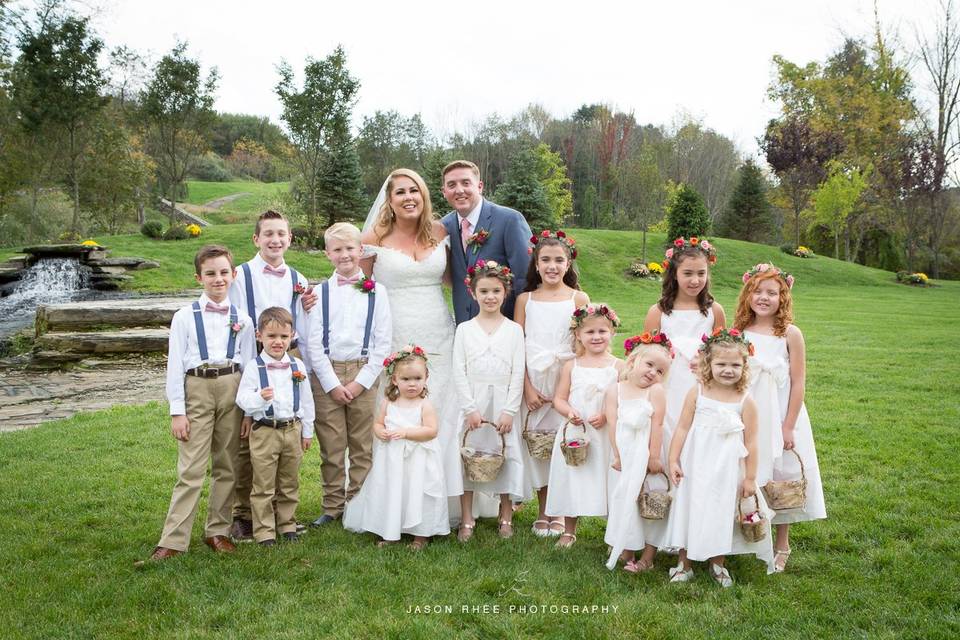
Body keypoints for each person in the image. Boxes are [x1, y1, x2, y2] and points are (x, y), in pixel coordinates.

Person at [360, 168, 495, 524]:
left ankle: (446, 502)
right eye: (400, 192)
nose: (408, 197)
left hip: (439, 331)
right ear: (389, 200)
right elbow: (356, 285)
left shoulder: (441, 232)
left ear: (424, 196)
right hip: (396, 332)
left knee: (445, 411)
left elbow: (457, 281)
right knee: (397, 410)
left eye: (414, 191)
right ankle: (395, 504)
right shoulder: (374, 236)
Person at [150, 245, 256, 560]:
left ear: (233, 275)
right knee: (191, 468)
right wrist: (177, 412)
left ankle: (218, 531)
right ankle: (173, 539)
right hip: (196, 386)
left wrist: (248, 411)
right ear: (199, 277)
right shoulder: (183, 318)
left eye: (224, 272)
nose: (218, 279)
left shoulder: (244, 320)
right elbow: (174, 369)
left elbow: (249, 366)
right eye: (210, 273)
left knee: (227, 464)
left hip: (232, 389)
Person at [228, 209, 317, 541]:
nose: (275, 240)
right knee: (246, 439)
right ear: (256, 239)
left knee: (285, 435)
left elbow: (305, 327)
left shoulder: (299, 279)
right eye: (268, 234)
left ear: (289, 239)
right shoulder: (239, 276)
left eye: (281, 234)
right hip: (249, 361)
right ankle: (243, 515)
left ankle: (283, 517)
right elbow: (230, 318)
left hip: (287, 356)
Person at [735, 264, 826, 572]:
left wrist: (788, 425)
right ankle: (750, 531)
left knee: (781, 475)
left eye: (772, 293)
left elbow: (798, 381)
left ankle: (782, 543)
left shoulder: (790, 333)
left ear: (783, 297)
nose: (763, 298)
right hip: (750, 413)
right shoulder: (740, 332)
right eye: (757, 291)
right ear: (747, 294)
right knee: (748, 471)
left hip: (782, 412)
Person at [665, 328, 775, 586]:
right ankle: (684, 563)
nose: (728, 369)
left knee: (720, 509)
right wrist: (673, 460)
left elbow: (752, 443)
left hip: (726, 468)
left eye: (735, 364)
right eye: (721, 364)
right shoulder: (698, 392)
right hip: (695, 463)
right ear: (708, 364)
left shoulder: (746, 400)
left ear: (745, 366)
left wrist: (750, 478)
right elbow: (681, 427)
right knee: (689, 506)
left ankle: (718, 563)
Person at [307, 222, 392, 526]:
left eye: (350, 249)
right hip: (326, 373)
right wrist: (331, 384)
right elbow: (313, 343)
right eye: (337, 250)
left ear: (361, 251)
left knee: (361, 444)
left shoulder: (377, 292)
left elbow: (382, 344)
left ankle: (359, 502)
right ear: (328, 254)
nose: (345, 255)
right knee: (331, 445)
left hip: (363, 372)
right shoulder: (317, 294)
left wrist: (359, 384)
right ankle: (332, 506)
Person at [513, 230, 589, 537]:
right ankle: (544, 510)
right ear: (535, 263)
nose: (552, 266)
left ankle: (563, 513)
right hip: (535, 379)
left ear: (569, 262)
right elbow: (518, 345)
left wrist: (570, 386)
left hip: (566, 379)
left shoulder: (578, 298)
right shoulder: (525, 299)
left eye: (559, 260)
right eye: (546, 260)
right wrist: (527, 387)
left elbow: (584, 342)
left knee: (564, 444)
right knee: (539, 447)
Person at [452, 260, 529, 542]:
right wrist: (469, 407)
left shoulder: (513, 330)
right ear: (473, 293)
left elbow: (518, 371)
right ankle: (467, 517)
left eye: (496, 291)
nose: (490, 297)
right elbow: (458, 371)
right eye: (483, 291)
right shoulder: (464, 329)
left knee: (504, 454)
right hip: (472, 399)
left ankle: (505, 513)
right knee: (468, 455)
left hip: (503, 401)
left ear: (505, 292)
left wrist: (509, 410)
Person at [342, 346, 449, 549]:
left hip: (418, 461)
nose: (412, 384)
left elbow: (431, 431)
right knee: (393, 492)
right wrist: (379, 430)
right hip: (392, 459)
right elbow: (379, 423)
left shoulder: (425, 404)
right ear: (394, 380)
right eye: (406, 379)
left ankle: (421, 535)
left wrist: (406, 433)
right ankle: (391, 531)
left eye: (417, 379)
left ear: (426, 378)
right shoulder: (389, 402)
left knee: (417, 493)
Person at [545, 304, 623, 549]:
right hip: (577, 432)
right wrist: (569, 412)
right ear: (578, 335)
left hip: (605, 433)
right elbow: (559, 398)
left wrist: (607, 415)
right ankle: (569, 530)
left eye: (602, 331)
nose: (596, 337)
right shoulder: (572, 366)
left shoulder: (618, 367)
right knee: (573, 477)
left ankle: (613, 533)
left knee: (607, 478)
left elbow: (624, 400)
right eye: (590, 332)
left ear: (612, 333)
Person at [235, 307, 314, 546]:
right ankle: (264, 531)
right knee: (263, 484)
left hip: (292, 429)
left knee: (289, 482)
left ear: (291, 336)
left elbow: (307, 400)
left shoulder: (297, 366)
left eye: (283, 336)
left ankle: (287, 524)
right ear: (259, 337)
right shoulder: (253, 367)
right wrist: (260, 397)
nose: (278, 342)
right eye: (271, 336)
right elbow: (242, 399)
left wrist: (307, 431)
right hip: (265, 432)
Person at [644, 237, 724, 448]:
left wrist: (708, 360)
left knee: (699, 432)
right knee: (669, 426)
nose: (695, 280)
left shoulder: (714, 311)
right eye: (687, 273)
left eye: (701, 273)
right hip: (669, 382)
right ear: (674, 274)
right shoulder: (658, 312)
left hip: (701, 381)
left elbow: (723, 351)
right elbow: (648, 354)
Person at [603, 332, 671, 572]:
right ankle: (627, 546)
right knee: (624, 499)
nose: (653, 372)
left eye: (660, 371)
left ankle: (648, 556)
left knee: (649, 498)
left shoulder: (655, 392)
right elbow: (612, 424)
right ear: (633, 362)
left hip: (647, 449)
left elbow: (658, 424)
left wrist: (653, 457)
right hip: (625, 452)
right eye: (649, 364)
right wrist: (618, 454)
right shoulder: (615, 390)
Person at [439, 160, 532, 324]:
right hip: (465, 329)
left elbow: (525, 280)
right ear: (444, 191)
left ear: (480, 186)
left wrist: (520, 328)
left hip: (505, 326)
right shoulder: (443, 227)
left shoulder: (509, 220)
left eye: (466, 183)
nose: (459, 190)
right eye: (452, 185)